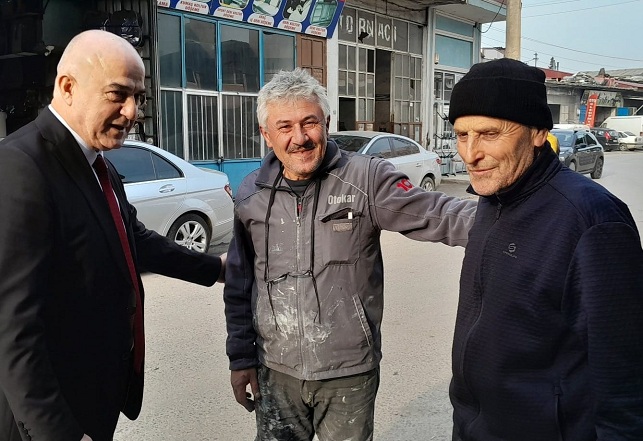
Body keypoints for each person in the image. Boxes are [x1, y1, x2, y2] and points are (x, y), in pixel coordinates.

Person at [223, 68, 477, 441]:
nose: (299, 138)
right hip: (275, 371)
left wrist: (514, 220)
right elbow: (240, 284)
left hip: (348, 372)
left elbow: (437, 213)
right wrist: (241, 358)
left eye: (309, 123)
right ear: (266, 134)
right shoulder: (251, 194)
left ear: (326, 123)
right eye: (285, 127)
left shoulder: (364, 178)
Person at [0, 30, 225, 441]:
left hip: (95, 394)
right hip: (50, 415)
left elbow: (132, 238)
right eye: (117, 94)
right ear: (68, 87)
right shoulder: (22, 168)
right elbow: (13, 328)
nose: (132, 111)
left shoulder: (97, 163)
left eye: (139, 97)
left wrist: (218, 268)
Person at [447, 58, 643, 441]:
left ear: (538, 132)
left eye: (489, 134)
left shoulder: (592, 220)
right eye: (462, 134)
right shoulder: (493, 199)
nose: (470, 154)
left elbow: (625, 387)